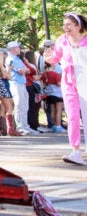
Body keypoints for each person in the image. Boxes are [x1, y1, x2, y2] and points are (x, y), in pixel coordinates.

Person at [44, 12, 87, 165]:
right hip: (68, 81)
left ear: (78, 26)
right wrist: (48, 59)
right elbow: (55, 58)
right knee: (73, 116)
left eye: (68, 24)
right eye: (64, 25)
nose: (65, 28)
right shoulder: (62, 40)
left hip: (85, 80)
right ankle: (75, 151)